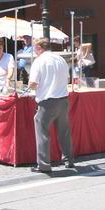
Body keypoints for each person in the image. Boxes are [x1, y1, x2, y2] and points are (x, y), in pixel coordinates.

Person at [28, 37, 74, 174]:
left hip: (47, 101)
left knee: (42, 133)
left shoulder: (39, 61)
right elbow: (67, 79)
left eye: (35, 48)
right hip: (63, 99)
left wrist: (31, 88)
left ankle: (44, 165)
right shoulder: (61, 59)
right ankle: (69, 160)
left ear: (39, 48)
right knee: (64, 132)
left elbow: (33, 83)